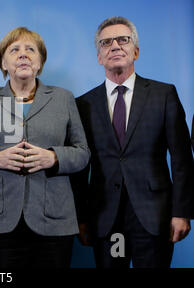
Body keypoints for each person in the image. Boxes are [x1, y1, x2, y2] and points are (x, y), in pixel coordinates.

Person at [0, 27, 90, 268]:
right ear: (3, 63)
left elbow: (83, 153)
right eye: (14, 50)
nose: (23, 54)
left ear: (40, 62)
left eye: (31, 49)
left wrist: (53, 157)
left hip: (53, 221)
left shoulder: (64, 98)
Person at [74, 16, 194, 268]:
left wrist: (181, 211)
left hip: (154, 217)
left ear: (136, 51)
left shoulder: (164, 95)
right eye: (106, 42)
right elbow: (80, 167)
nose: (115, 45)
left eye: (123, 40)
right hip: (105, 218)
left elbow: (182, 159)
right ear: (99, 57)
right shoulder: (83, 104)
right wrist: (81, 218)